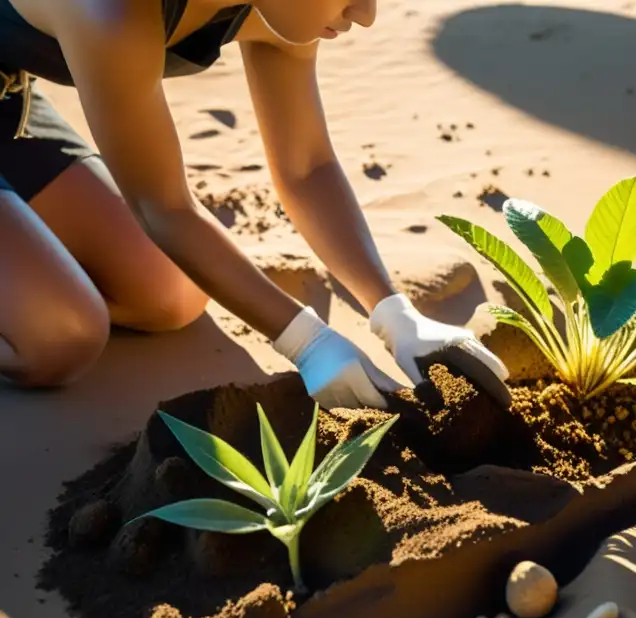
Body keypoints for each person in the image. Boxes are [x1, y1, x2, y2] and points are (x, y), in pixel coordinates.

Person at [0, 0, 509, 408]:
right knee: (61, 337)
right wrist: (305, 342)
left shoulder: (277, 11)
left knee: (170, 293)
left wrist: (395, 315)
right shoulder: (112, 11)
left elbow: (305, 165)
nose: (366, 14)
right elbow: (164, 208)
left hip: (8, 97)